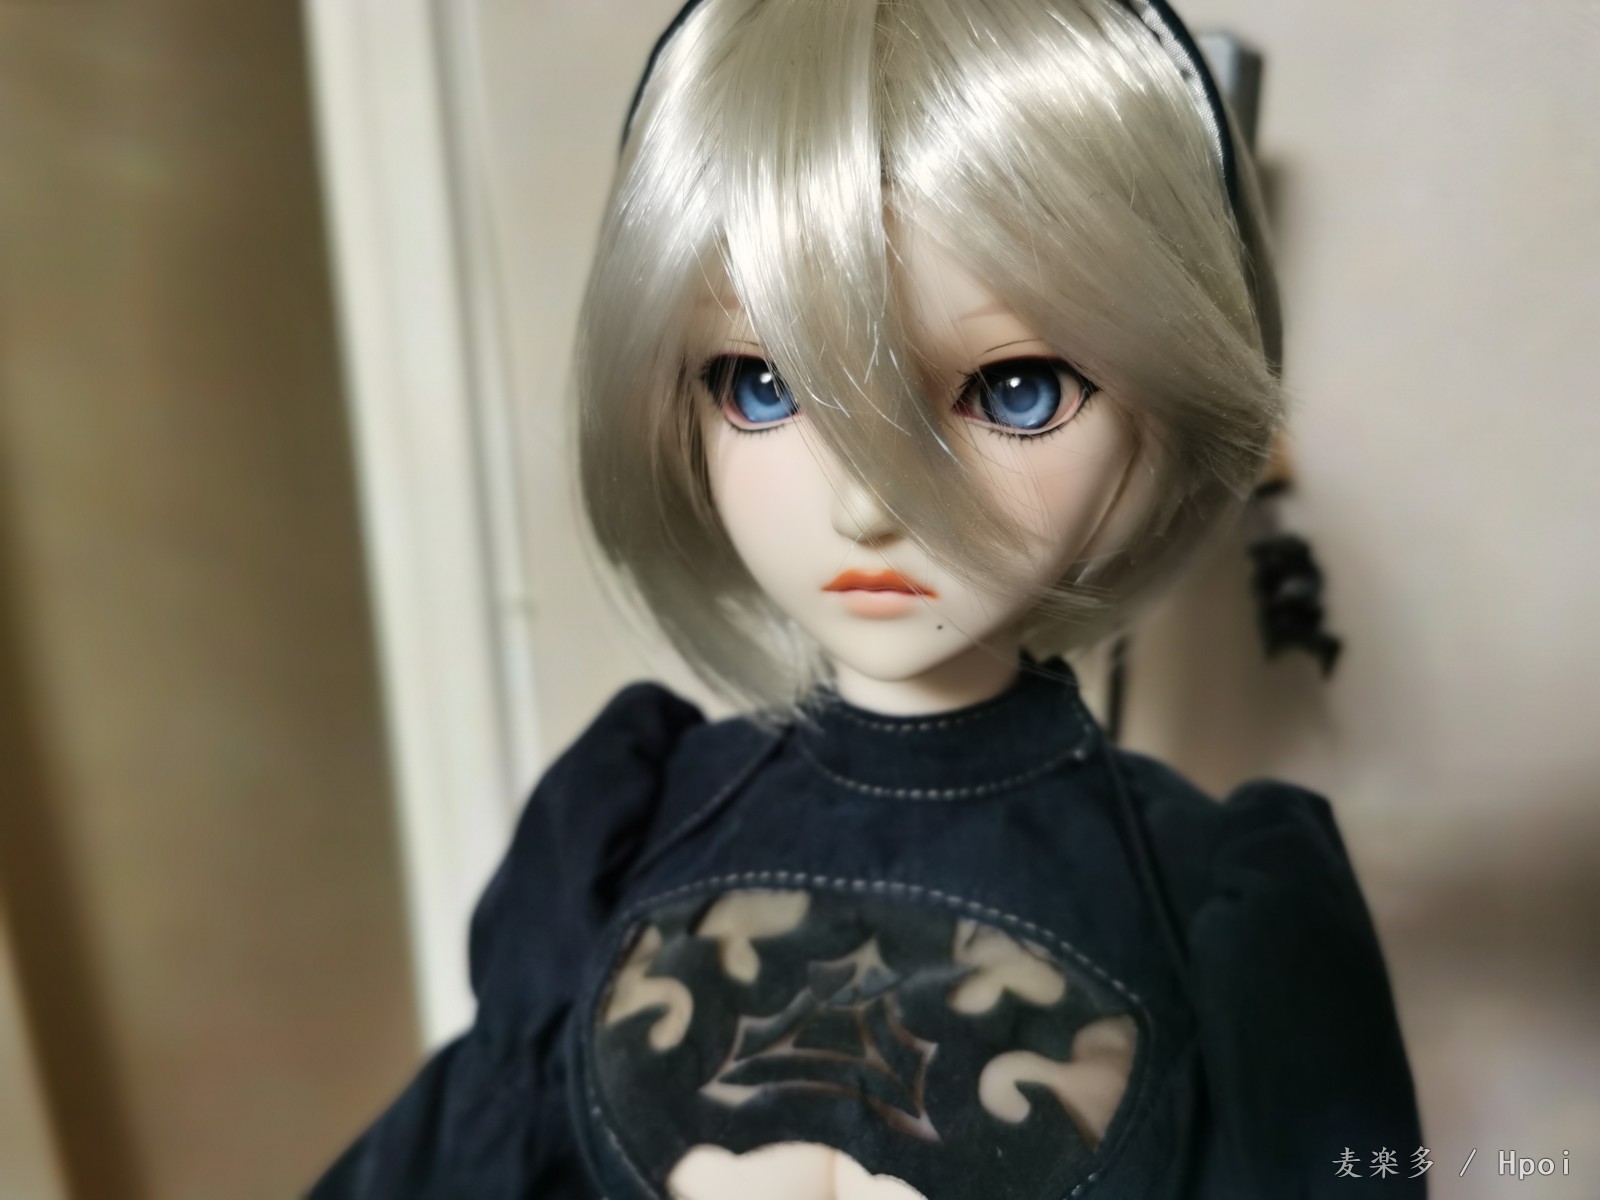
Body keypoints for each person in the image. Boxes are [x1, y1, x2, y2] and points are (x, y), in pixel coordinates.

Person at [309, 0, 1423, 1195]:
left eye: (1015, 389)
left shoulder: (1218, 905)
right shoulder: (621, 822)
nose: (863, 506)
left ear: (1163, 405)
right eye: (762, 382)